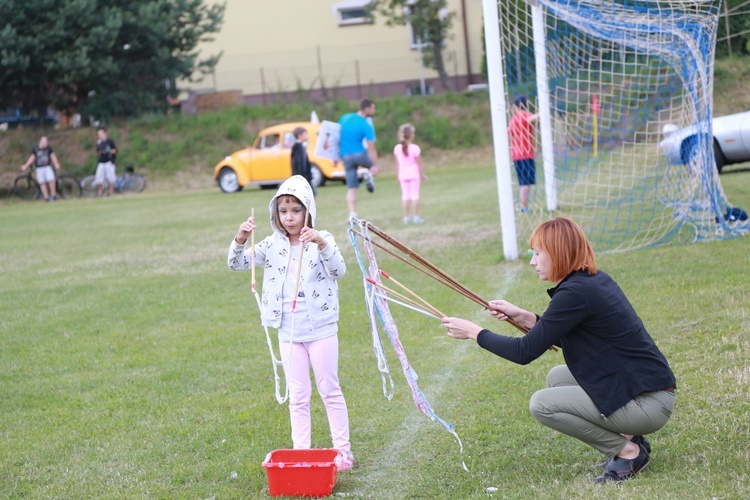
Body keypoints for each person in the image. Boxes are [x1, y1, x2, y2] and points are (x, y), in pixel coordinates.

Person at [441, 217, 676, 483]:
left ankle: (628, 451)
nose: (532, 261)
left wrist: (474, 332)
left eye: (538, 254)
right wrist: (523, 315)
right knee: (557, 377)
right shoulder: (590, 280)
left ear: (558, 253)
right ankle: (630, 437)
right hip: (647, 391)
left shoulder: (575, 293)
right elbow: (569, 335)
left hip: (648, 405)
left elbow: (524, 352)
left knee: (542, 405)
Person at [227, 175, 354, 471]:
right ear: (275, 214)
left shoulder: (322, 239)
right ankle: (302, 452)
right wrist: (240, 238)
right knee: (298, 396)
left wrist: (322, 243)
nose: (290, 217)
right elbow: (235, 264)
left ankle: (343, 451)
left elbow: (340, 270)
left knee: (329, 390)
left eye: (296, 210)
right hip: (288, 331)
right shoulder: (271, 245)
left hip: (321, 329)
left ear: (308, 210)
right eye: (283, 211)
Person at [338, 98, 379, 220]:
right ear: (367, 109)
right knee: (374, 168)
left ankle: (352, 213)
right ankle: (368, 175)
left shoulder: (344, 118)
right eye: (373, 108)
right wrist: (375, 165)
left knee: (352, 187)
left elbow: (335, 135)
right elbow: (371, 147)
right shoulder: (366, 124)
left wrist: (336, 156)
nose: (374, 111)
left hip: (346, 156)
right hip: (359, 154)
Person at [508, 95, 539, 212]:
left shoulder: (512, 120)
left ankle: (523, 205)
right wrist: (541, 113)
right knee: (526, 182)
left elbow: (509, 136)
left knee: (523, 182)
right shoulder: (524, 116)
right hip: (525, 155)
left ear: (516, 107)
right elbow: (529, 119)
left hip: (516, 156)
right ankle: (523, 206)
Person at [393, 123, 427, 224]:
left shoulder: (397, 148)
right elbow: (419, 163)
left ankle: (406, 217)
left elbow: (397, 164)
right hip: (413, 174)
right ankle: (416, 216)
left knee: (405, 196)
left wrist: (397, 175)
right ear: (411, 135)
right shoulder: (415, 148)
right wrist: (422, 175)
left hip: (403, 175)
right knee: (415, 195)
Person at [20, 136, 62, 202]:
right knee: (42, 182)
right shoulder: (36, 149)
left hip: (47, 166)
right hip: (39, 168)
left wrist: (56, 163)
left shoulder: (49, 148)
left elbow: (53, 156)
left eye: (46, 141)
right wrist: (26, 165)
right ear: (40, 142)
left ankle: (53, 195)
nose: (45, 143)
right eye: (44, 141)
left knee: (51, 180)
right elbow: (32, 158)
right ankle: (46, 197)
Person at [291, 126, 316, 197]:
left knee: (313, 194)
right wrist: (302, 177)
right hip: (303, 177)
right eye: (306, 134)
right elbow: (299, 163)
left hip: (305, 176)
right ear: (299, 136)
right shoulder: (298, 147)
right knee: (310, 195)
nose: (308, 136)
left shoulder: (301, 146)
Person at [94, 128, 117, 197]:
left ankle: (111, 191)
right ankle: (100, 192)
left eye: (101, 134)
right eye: (99, 134)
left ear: (105, 134)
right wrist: (101, 152)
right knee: (99, 177)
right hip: (101, 162)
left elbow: (115, 150)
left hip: (108, 161)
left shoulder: (110, 141)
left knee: (111, 177)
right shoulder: (99, 143)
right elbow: (97, 152)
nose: (100, 136)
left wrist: (108, 151)